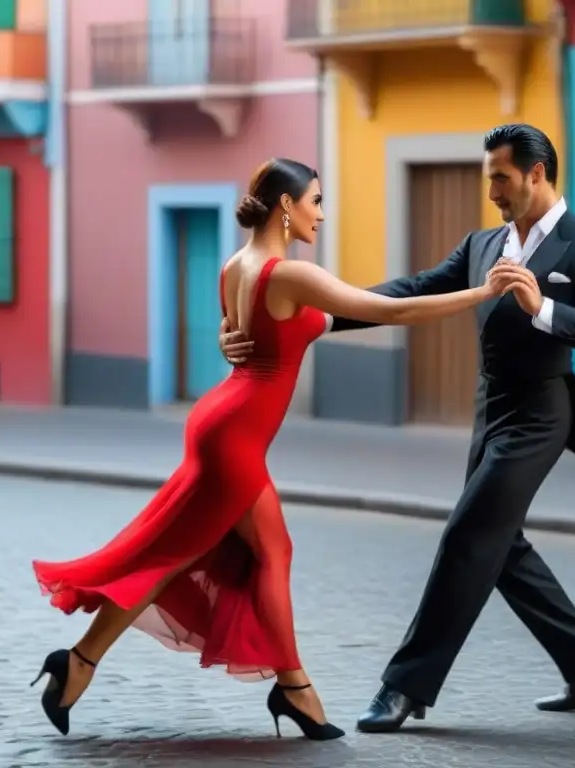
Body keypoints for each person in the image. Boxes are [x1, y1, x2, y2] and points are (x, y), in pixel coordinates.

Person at [30, 158, 530, 741]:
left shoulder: (234, 266)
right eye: (316, 200)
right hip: (235, 437)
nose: (321, 212)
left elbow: (239, 338)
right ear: (286, 206)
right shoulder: (292, 275)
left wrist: (225, 338)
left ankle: (269, 685)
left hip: (222, 423)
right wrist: (484, 290)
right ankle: (280, 689)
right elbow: (393, 311)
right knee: (182, 555)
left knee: (245, 552)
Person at [220, 125, 575, 733]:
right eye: (489, 177)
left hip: (540, 417)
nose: (492, 190)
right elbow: (412, 291)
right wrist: (296, 320)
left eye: (501, 177)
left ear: (537, 173)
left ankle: (405, 686)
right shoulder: (483, 243)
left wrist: (543, 308)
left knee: (469, 535)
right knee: (500, 544)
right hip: (490, 412)